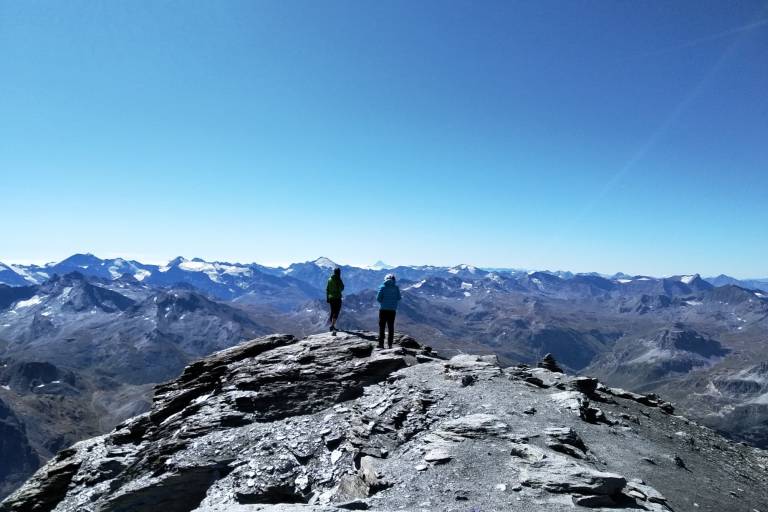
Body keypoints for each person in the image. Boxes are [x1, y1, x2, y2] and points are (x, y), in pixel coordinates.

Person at [376, 273, 401, 348]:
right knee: (391, 327)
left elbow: (378, 298)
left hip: (383, 309)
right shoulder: (396, 288)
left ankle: (381, 344)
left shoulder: (383, 287)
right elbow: (399, 298)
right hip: (392, 310)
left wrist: (384, 303)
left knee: (382, 326)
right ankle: (390, 345)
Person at [326, 267, 344, 335]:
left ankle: (331, 325)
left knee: (332, 311)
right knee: (336, 312)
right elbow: (342, 288)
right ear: (339, 273)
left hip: (330, 298)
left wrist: (327, 297)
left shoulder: (329, 279)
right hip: (337, 297)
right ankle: (332, 326)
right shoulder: (338, 279)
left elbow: (327, 289)